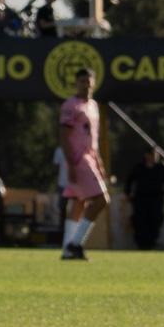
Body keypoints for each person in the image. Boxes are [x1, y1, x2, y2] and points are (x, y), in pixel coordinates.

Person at [58, 68, 108, 260]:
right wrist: (70, 164)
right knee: (102, 199)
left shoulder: (93, 105)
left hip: (90, 159)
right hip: (78, 161)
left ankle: (66, 251)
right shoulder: (71, 105)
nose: (85, 85)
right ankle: (75, 243)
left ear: (93, 83)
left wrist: (99, 161)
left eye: (88, 81)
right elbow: (64, 137)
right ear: (76, 84)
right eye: (82, 81)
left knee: (79, 203)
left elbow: (92, 139)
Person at [124, 147, 164, 251]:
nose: (154, 157)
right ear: (146, 155)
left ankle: (151, 244)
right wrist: (128, 193)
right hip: (141, 199)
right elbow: (129, 180)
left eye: (155, 155)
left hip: (156, 199)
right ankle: (141, 244)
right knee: (140, 221)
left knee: (155, 221)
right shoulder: (139, 168)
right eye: (151, 154)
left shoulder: (162, 168)